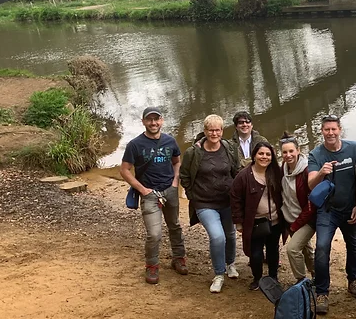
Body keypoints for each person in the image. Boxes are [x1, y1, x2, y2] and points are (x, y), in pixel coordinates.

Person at [120, 107, 186, 284]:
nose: (153, 123)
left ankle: (179, 258)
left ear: (162, 121)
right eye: (149, 120)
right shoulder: (135, 144)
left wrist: (175, 183)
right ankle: (152, 266)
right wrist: (141, 189)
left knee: (175, 225)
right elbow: (124, 170)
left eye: (156, 119)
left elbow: (177, 162)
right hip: (149, 194)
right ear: (143, 122)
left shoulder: (170, 141)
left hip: (170, 191)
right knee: (154, 234)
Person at [308, 114, 356, 314]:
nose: (330, 133)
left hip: (350, 207)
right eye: (326, 130)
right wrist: (322, 173)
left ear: (340, 129)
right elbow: (310, 184)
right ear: (321, 131)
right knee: (322, 247)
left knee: (353, 244)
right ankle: (322, 291)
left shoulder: (353, 148)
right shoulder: (316, 154)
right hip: (327, 210)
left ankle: (353, 281)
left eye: (333, 129)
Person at [179, 114, 242, 293]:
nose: (214, 133)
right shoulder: (193, 152)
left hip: (228, 201)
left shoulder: (230, 148)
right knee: (217, 236)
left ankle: (230, 264)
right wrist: (193, 195)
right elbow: (184, 175)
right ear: (205, 131)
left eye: (217, 130)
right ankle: (218, 274)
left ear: (222, 131)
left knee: (230, 234)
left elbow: (236, 171)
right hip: (204, 203)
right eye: (210, 130)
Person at [231, 142, 284, 291]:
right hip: (254, 222)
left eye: (268, 154)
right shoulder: (244, 176)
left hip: (275, 220)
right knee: (255, 253)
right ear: (254, 155)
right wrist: (238, 222)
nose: (264, 157)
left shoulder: (276, 172)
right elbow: (235, 198)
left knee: (273, 249)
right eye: (261, 154)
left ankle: (273, 277)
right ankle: (257, 279)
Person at [280, 132, 316, 281]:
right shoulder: (282, 168)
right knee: (307, 250)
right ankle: (317, 276)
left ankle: (302, 282)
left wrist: (295, 226)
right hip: (290, 218)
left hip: (306, 220)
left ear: (298, 151)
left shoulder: (307, 171)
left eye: (291, 151)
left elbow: (311, 206)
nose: (288, 155)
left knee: (293, 249)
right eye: (284, 152)